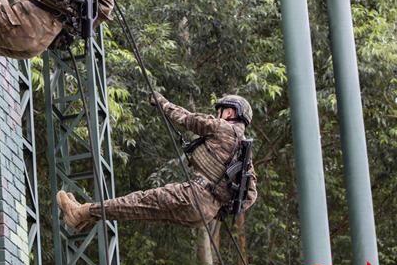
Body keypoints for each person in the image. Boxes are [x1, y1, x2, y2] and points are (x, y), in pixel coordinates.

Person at [57, 94, 257, 230]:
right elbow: (250, 195)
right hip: (204, 214)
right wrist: (220, 207)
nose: (218, 114)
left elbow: (186, 118)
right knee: (142, 210)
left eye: (221, 110)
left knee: (138, 202)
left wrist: (160, 101)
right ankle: (83, 217)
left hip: (193, 195)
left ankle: (81, 212)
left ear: (230, 113)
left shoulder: (222, 127)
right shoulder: (244, 154)